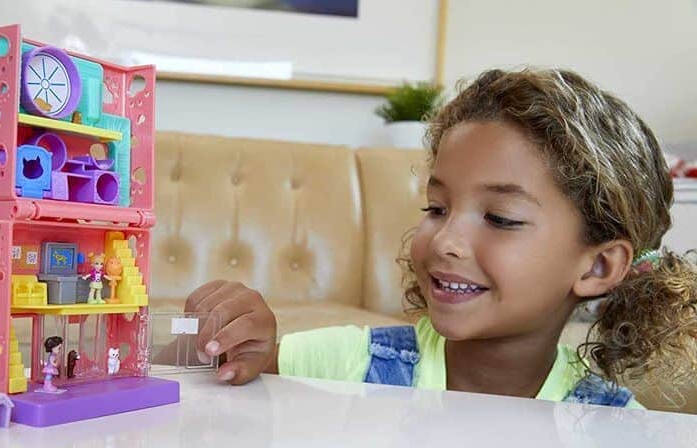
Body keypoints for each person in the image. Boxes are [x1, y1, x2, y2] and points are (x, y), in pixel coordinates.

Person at [183, 68, 697, 407]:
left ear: (598, 266)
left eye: (500, 218)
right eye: (437, 208)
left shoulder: (614, 423)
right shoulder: (357, 362)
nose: (446, 239)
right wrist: (227, 344)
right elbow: (194, 374)